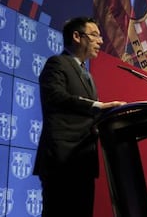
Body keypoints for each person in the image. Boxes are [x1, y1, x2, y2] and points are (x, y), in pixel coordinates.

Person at [33, 17, 127, 217]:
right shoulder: (57, 63)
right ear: (76, 36)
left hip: (83, 162)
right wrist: (97, 106)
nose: (100, 41)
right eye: (94, 35)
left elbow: (92, 114)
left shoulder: (88, 75)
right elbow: (56, 97)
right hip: (62, 161)